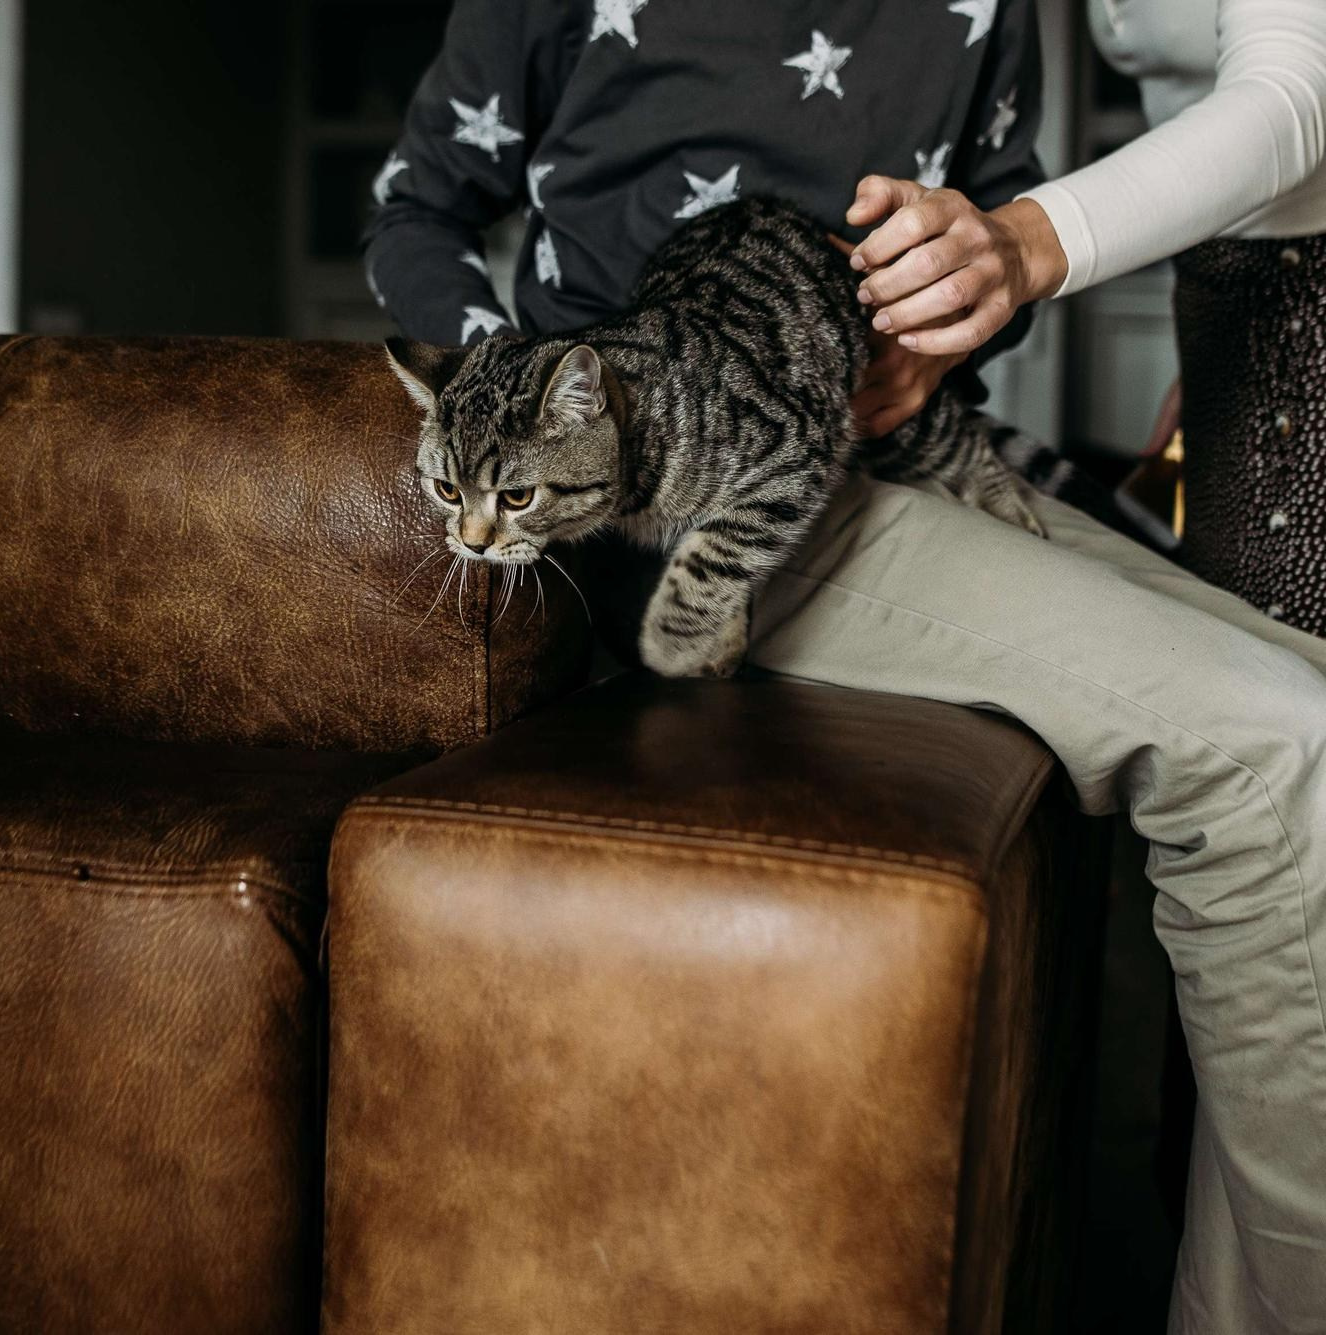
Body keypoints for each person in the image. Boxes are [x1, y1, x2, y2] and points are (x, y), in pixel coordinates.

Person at [365, 4, 1326, 1332]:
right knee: (1277, 740)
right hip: (675, 504)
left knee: (1308, 695)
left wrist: (956, 322)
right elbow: (415, 213)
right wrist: (514, 417)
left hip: (894, 454)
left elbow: (997, 247)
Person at [843, 0, 1326, 637]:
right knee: (1236, 619)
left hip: (1307, 298)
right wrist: (1215, 348)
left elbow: (1292, 101)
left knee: (1289, 661)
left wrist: (1019, 245)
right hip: (1235, 300)